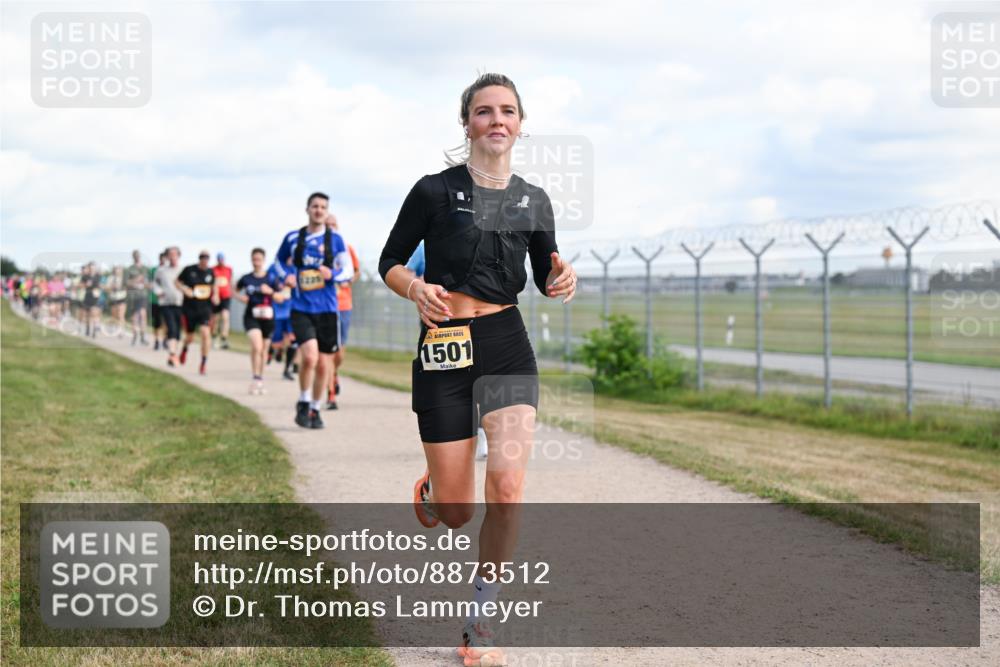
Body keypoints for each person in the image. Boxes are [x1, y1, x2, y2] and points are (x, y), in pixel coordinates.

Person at [377, 73, 577, 665]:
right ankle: (437, 491)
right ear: (466, 123)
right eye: (484, 110)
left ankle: (481, 621)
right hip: (445, 344)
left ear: (520, 124)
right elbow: (389, 261)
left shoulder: (534, 199)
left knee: (509, 487)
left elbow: (546, 272)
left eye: (507, 111)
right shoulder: (433, 191)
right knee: (460, 512)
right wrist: (415, 288)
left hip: (506, 342)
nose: (496, 120)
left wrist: (562, 278)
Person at [274, 192, 353, 429]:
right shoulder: (293, 239)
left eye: (323, 207)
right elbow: (278, 262)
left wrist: (334, 274)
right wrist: (286, 276)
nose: (319, 210)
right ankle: (304, 400)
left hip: (328, 309)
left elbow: (348, 269)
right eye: (315, 206)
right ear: (307, 209)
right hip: (301, 307)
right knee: (309, 357)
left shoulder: (336, 240)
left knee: (323, 364)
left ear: (327, 211)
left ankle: (315, 409)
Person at [324, 214, 361, 410]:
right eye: (327, 225)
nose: (330, 228)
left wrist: (348, 280)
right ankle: (330, 393)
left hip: (344, 304)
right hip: (324, 305)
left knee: (339, 351)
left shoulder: (346, 249)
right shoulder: (318, 251)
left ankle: (334, 373)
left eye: (333, 225)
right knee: (328, 350)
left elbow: (356, 271)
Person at [236, 248, 284, 395]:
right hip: (251, 316)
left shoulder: (271, 279)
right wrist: (241, 298)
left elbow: (281, 297)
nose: (256, 262)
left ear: (263, 260)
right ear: (251, 260)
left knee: (263, 350)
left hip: (268, 317)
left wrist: (270, 292)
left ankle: (259, 378)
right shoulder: (246, 278)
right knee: (257, 346)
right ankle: (255, 377)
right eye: (254, 259)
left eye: (259, 259)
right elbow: (234, 290)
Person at [176, 250, 219, 375]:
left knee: (205, 333)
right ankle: (184, 349)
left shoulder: (211, 272)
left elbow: (214, 285)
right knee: (190, 337)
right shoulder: (189, 270)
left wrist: (216, 295)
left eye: (207, 257)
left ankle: (203, 362)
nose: (204, 260)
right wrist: (184, 289)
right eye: (202, 257)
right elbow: (177, 282)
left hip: (205, 308)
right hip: (190, 308)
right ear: (199, 258)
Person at [153, 246, 185, 366]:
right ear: (167, 256)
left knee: (177, 331)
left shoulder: (183, 270)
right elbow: (155, 283)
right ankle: (172, 354)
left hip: (180, 303)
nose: (172, 257)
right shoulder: (161, 271)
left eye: (175, 254)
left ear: (178, 256)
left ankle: (174, 352)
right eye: (170, 254)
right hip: (166, 303)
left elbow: (188, 285)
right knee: (171, 327)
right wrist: (158, 292)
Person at [267, 259, 297, 381]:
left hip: (293, 310)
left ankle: (287, 369)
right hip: (277, 310)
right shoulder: (274, 267)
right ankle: (272, 350)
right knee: (276, 342)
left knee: (292, 339)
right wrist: (273, 294)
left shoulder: (297, 267)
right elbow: (266, 284)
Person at [125, 250, 149, 346]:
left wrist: (146, 284)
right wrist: (136, 280)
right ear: (133, 257)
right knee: (134, 317)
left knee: (143, 315)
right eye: (135, 256)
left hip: (143, 295)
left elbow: (147, 283)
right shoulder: (130, 269)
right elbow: (126, 283)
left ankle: (143, 337)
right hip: (133, 296)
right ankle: (135, 336)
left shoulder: (145, 268)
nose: (137, 257)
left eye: (138, 255)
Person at [211, 252, 233, 349]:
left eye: (222, 259)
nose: (221, 261)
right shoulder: (213, 270)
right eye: (219, 259)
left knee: (225, 317)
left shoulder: (229, 269)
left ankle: (224, 338)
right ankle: (214, 337)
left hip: (226, 296)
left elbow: (230, 281)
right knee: (215, 319)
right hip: (216, 297)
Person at [150, 252, 167, 350]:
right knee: (157, 322)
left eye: (165, 259)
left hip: (166, 301)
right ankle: (156, 341)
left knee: (166, 321)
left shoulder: (169, 271)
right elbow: (150, 283)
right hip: (155, 299)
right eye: (161, 259)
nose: (163, 261)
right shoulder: (153, 270)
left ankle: (165, 340)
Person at [107, 265, 128, 337]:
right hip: (113, 298)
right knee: (114, 314)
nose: (118, 271)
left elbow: (127, 287)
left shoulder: (124, 278)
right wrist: (112, 287)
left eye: (119, 269)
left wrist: (121, 287)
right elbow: (107, 288)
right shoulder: (110, 278)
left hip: (122, 298)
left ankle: (121, 330)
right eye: (116, 269)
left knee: (121, 314)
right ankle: (114, 326)